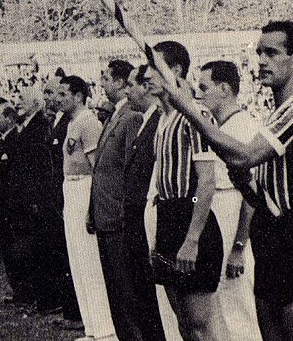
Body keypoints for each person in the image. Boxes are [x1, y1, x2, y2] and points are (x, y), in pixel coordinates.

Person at [162, 21, 293, 341]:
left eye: (272, 53)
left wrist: (189, 110)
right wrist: (245, 182)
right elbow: (257, 192)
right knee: (270, 330)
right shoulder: (272, 116)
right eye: (259, 52)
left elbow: (245, 156)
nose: (261, 60)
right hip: (271, 232)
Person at [149, 41, 224, 341]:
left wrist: (192, 239)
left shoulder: (195, 115)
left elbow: (206, 183)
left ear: (174, 70)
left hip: (191, 219)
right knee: (182, 320)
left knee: (199, 321)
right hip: (168, 217)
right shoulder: (163, 120)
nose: (146, 76)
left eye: (153, 69)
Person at [194, 61, 262, 341]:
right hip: (215, 214)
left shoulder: (245, 126)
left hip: (233, 215)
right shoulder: (214, 127)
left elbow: (251, 196)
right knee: (217, 303)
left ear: (224, 89)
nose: (199, 94)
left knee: (238, 304)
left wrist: (238, 246)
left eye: (204, 88)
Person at [91, 59, 148, 341]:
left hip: (119, 219)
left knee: (128, 295)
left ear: (122, 83)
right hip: (105, 217)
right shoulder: (116, 114)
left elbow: (131, 172)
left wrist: (121, 212)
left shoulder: (132, 117)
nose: (102, 83)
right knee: (116, 293)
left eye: (106, 78)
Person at [59, 75, 117, 341]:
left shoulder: (89, 122)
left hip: (85, 188)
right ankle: (91, 327)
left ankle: (105, 328)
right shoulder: (72, 123)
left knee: (90, 260)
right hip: (71, 188)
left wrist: (92, 205)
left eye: (63, 94)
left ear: (79, 95)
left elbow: (98, 169)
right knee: (78, 261)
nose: (59, 100)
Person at [122, 65, 167, 341]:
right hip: (137, 216)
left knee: (150, 293)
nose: (127, 91)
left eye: (131, 84)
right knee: (142, 291)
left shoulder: (156, 122)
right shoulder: (146, 121)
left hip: (146, 215)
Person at [6, 86, 57, 313]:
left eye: (22, 100)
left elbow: (39, 168)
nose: (18, 103)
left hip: (33, 200)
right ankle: (37, 296)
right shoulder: (27, 127)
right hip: (23, 199)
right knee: (30, 250)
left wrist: (36, 199)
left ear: (36, 104)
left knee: (38, 249)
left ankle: (44, 298)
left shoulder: (39, 128)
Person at [43, 76, 83, 331]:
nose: (54, 99)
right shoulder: (60, 121)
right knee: (65, 253)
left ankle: (76, 311)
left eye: (59, 94)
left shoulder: (76, 121)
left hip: (73, 188)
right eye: (51, 94)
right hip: (61, 191)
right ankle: (70, 308)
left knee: (75, 254)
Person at [0, 102, 24, 304]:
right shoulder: (3, 140)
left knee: (14, 249)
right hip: (1, 205)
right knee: (8, 250)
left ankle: (21, 291)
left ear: (10, 118)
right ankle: (17, 290)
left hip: (9, 205)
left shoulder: (14, 141)